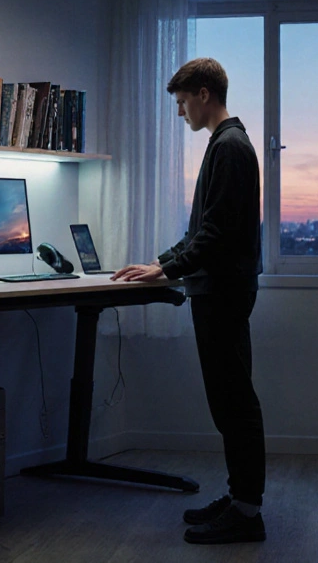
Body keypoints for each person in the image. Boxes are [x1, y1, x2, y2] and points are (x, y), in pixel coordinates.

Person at [112, 57, 266, 545]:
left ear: (203, 93)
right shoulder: (224, 144)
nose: (180, 113)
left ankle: (247, 512)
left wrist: (167, 269)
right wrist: (162, 263)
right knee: (228, 400)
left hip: (220, 292)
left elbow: (215, 234)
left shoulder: (230, 147)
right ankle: (241, 499)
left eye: (181, 102)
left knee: (234, 402)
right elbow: (202, 230)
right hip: (215, 289)